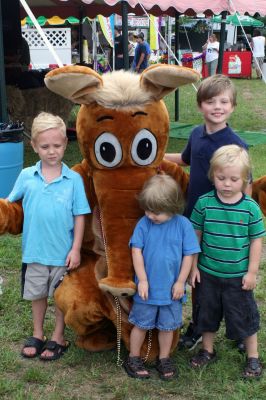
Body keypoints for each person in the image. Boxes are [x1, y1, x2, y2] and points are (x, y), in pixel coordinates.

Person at [164, 74, 252, 350]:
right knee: (197, 275)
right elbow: (185, 160)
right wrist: (154, 156)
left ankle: (239, 329)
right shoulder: (196, 134)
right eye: (210, 101)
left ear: (233, 106)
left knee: (230, 279)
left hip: (224, 223)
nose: (217, 107)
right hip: (195, 220)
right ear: (200, 105)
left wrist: (243, 222)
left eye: (224, 101)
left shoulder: (236, 145)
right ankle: (199, 324)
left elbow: (245, 184)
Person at [7, 112, 91, 361]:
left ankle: (58, 335)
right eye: (45, 146)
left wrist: (75, 249)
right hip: (34, 251)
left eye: (57, 145)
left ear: (65, 144)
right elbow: (10, 205)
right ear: (33, 146)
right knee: (37, 294)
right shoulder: (26, 176)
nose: (52, 151)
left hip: (62, 253)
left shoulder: (73, 179)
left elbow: (80, 216)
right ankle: (37, 333)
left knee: (61, 298)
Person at [189, 145, 265, 379]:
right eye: (221, 178)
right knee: (207, 315)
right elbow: (196, 237)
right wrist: (193, 267)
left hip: (237, 276)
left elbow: (256, 241)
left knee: (244, 316)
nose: (227, 184)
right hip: (208, 273)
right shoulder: (204, 204)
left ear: (244, 180)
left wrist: (252, 272)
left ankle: (253, 357)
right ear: (213, 176)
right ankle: (207, 350)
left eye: (234, 179)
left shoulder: (250, 209)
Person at [123, 174, 200, 380]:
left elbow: (189, 255)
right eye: (147, 209)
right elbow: (136, 251)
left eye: (156, 211)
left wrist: (181, 282)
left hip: (172, 291)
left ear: (173, 206)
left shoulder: (183, 225)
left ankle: (164, 358)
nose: (150, 215)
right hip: (147, 290)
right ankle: (133, 357)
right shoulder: (144, 224)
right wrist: (143, 280)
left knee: (168, 327)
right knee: (140, 324)